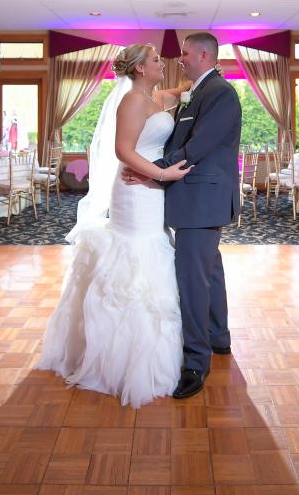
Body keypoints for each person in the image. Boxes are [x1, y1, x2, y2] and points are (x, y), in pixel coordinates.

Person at [36, 44, 192, 408]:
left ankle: (149, 345)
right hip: (137, 190)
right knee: (137, 256)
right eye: (155, 60)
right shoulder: (132, 102)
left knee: (152, 251)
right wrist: (160, 174)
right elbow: (123, 150)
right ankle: (122, 359)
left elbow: (179, 92)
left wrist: (193, 81)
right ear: (139, 68)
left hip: (150, 188)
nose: (161, 64)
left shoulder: (152, 97)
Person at [123, 32, 241, 399]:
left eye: (186, 54)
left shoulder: (220, 93)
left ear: (204, 55)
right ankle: (218, 336)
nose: (180, 59)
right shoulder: (199, 90)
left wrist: (152, 169)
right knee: (209, 271)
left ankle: (195, 362)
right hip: (196, 198)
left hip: (201, 198)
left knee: (192, 279)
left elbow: (198, 147)